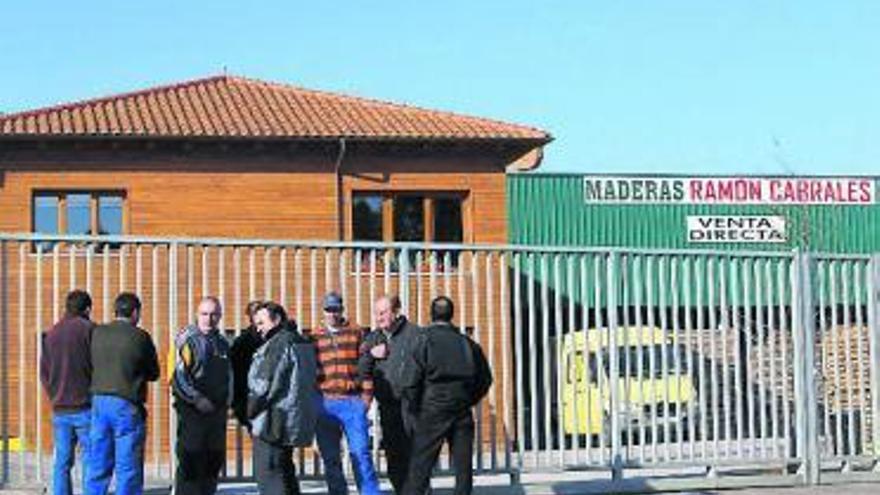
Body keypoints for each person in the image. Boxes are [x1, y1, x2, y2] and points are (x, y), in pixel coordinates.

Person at [401, 296, 493, 495]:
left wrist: (416, 407)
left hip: (432, 407)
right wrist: (469, 399)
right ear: (452, 315)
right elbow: (485, 379)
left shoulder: (423, 340)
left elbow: (410, 380)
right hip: (461, 408)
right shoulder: (467, 343)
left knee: (420, 466)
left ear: (431, 314)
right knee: (463, 467)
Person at [87, 292, 160, 495]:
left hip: (99, 402)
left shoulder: (97, 333)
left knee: (98, 462)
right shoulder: (140, 336)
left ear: (115, 310)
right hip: (126, 403)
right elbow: (154, 373)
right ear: (135, 312)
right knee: (127, 465)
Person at [310, 292, 380, 495]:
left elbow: (365, 365)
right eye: (328, 310)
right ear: (323, 311)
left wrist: (366, 397)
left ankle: (370, 492)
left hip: (352, 401)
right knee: (330, 457)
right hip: (325, 403)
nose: (332, 313)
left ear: (342, 310)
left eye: (336, 309)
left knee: (361, 453)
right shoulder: (314, 336)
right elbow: (309, 371)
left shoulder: (356, 332)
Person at [247, 301, 318, 495]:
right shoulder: (301, 342)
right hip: (292, 419)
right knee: (285, 472)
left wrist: (249, 411)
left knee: (269, 475)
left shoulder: (279, 343)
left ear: (276, 319)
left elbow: (264, 385)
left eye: (261, 323)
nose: (258, 329)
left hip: (273, 421)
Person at [359, 295, 421, 494]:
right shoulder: (374, 337)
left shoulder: (415, 335)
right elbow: (361, 369)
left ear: (396, 311)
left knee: (414, 453)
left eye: (383, 312)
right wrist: (370, 354)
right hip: (387, 405)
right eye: (376, 313)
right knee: (394, 455)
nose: (379, 317)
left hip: (412, 405)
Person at [172, 296, 232, 495]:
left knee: (213, 463)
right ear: (197, 315)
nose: (209, 319)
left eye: (214, 314)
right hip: (193, 414)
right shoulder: (187, 340)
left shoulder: (222, 343)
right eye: (204, 314)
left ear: (220, 316)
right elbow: (177, 376)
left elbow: (229, 376)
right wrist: (196, 399)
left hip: (216, 414)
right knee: (191, 465)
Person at [40, 289, 95, 495]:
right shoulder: (89, 330)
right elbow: (97, 365)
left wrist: (53, 395)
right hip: (85, 406)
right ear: (87, 308)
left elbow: (44, 372)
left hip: (59, 407)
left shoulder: (52, 333)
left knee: (62, 461)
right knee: (90, 457)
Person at [230, 300, 264, 430]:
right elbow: (235, 374)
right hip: (249, 402)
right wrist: (239, 407)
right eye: (254, 313)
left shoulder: (274, 338)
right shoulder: (242, 343)